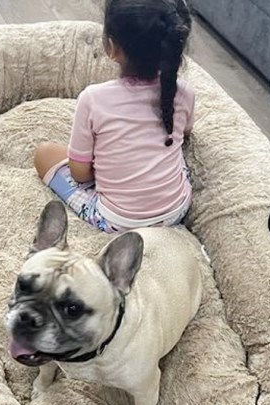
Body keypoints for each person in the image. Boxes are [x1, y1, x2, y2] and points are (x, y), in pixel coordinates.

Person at [34, 0, 194, 233]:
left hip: (118, 222)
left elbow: (79, 175)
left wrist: (107, 166)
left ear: (111, 47)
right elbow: (185, 132)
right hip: (176, 210)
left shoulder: (92, 99)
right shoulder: (184, 93)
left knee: (44, 154)